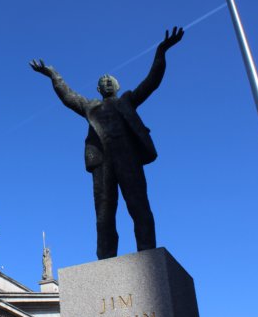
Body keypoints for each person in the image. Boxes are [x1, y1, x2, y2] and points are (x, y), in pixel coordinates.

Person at [30, 27, 184, 260]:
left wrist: (161, 52)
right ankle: (105, 258)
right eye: (103, 82)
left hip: (127, 156)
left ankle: (147, 253)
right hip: (102, 161)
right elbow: (68, 96)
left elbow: (152, 81)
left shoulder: (127, 101)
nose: (106, 83)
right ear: (99, 89)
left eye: (110, 80)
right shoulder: (91, 106)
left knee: (139, 206)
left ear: (117, 86)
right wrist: (54, 75)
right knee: (104, 215)